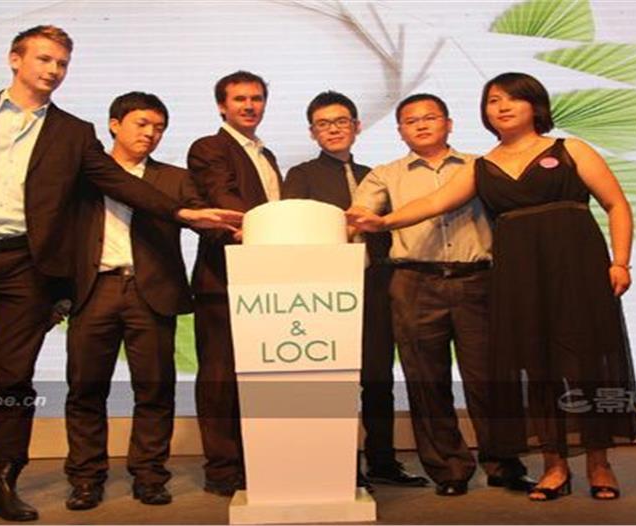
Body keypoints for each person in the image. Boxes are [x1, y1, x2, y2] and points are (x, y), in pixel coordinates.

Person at [0, 26, 240, 526]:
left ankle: (2, 487)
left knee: (14, 381)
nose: (53, 70)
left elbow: (117, 180)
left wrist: (182, 214)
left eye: (61, 63)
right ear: (15, 59)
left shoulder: (73, 132)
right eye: (44, 59)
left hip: (25, 266)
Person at [348, 73, 636, 501]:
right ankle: (554, 467)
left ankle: (599, 465)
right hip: (517, 276)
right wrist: (383, 222)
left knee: (584, 365)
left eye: (512, 99)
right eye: (493, 100)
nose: (502, 107)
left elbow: (616, 203)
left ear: (534, 105)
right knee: (536, 371)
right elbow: (433, 203)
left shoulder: (570, 149)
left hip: (574, 266)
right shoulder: (483, 166)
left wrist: (620, 261)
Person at [349, 93, 532, 497]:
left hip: (477, 281)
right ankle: (449, 469)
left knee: (490, 379)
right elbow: (360, 216)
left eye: (430, 117)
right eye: (410, 120)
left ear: (448, 123)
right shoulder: (384, 174)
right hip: (414, 282)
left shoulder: (481, 166)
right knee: (426, 381)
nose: (421, 125)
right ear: (400, 131)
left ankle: (504, 464)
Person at [281, 91, 428, 490]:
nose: (333, 130)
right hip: (326, 293)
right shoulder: (301, 175)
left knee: (378, 378)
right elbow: (296, 233)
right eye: (323, 124)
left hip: (377, 287)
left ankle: (383, 461)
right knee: (335, 382)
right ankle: (341, 465)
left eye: (341, 121)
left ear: (357, 126)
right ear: (312, 132)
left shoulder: (377, 175)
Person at [63, 92, 203, 510]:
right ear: (114, 125)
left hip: (151, 292)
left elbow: (202, 217)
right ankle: (86, 478)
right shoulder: (82, 175)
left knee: (155, 389)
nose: (150, 134)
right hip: (95, 289)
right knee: (86, 390)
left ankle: (149, 476)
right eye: (142, 124)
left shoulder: (175, 178)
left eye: (159, 128)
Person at [187, 71, 283, 496]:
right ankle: (222, 470)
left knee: (261, 379)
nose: (249, 105)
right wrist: (265, 230)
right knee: (220, 378)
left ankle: (256, 461)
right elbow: (223, 197)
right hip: (223, 280)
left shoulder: (267, 154)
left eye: (256, 98)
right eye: (240, 99)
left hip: (266, 281)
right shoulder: (209, 148)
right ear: (221, 106)